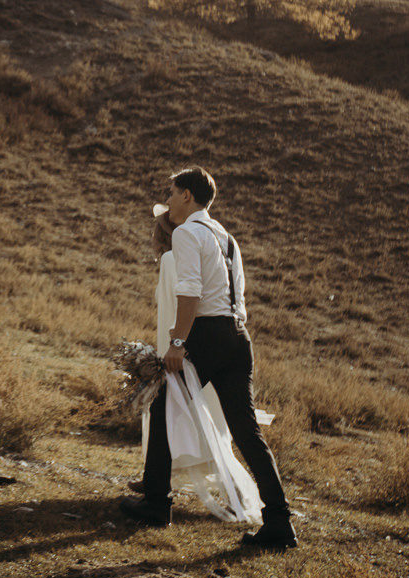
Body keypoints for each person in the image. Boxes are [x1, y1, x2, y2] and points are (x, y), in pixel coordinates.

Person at [121, 166, 298, 549]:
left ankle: (156, 503)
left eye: (171, 192)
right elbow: (237, 296)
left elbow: (190, 294)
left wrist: (178, 343)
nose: (167, 200)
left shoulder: (187, 233)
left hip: (208, 334)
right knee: (247, 430)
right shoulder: (227, 238)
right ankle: (280, 522)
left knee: (164, 402)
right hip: (239, 337)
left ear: (188, 195)